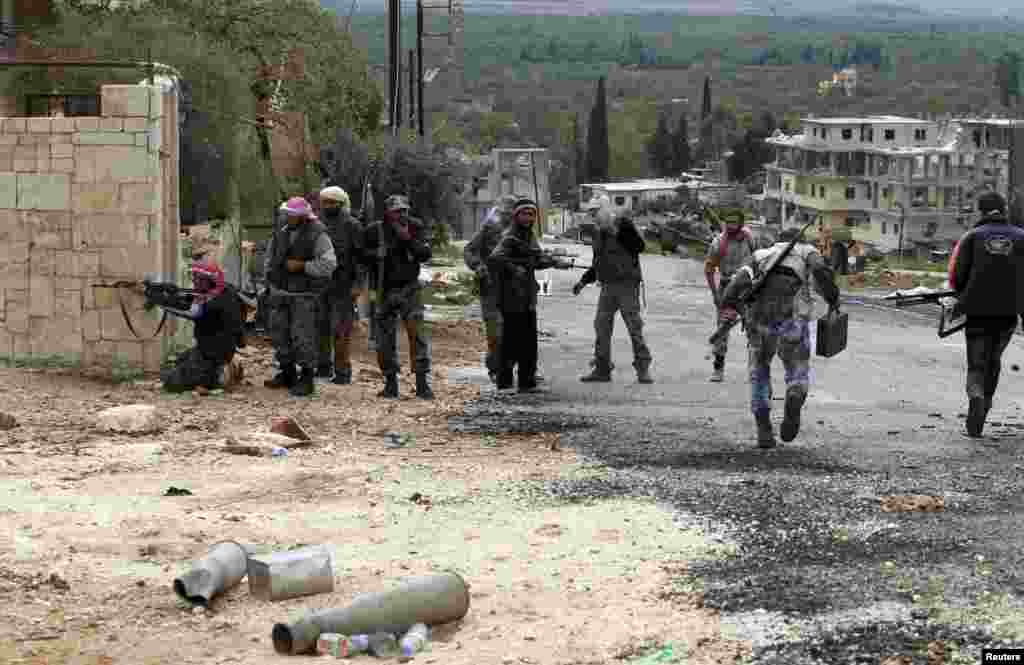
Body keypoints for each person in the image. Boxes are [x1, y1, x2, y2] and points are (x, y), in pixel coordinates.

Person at [718, 226, 840, 449]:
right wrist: (833, 298)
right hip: (791, 320)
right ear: (802, 240)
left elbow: (735, 285)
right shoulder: (806, 251)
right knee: (797, 369)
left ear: (777, 241)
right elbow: (821, 270)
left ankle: (764, 429)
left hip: (759, 321)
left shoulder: (760, 255)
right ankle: (795, 393)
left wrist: (735, 308)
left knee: (759, 371)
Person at [948, 191, 1024, 437]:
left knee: (976, 364)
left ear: (980, 211)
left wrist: (961, 297)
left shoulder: (972, 237)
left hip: (977, 312)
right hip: (1007, 313)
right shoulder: (1021, 237)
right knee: (993, 361)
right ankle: (986, 405)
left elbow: (956, 276)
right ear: (1004, 210)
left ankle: (976, 397)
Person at [487, 197, 573, 393]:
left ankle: (527, 381)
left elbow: (536, 260)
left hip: (526, 297)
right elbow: (495, 258)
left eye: (532, 214)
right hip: (510, 297)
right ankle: (505, 382)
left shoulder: (529, 236)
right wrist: (514, 268)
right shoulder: (510, 236)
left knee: (529, 341)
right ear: (516, 216)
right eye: (524, 214)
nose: (528, 217)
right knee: (511, 340)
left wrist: (555, 262)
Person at [263, 196, 338, 397]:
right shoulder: (281, 232)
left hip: (304, 294)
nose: (288, 217)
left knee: (303, 336)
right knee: (279, 334)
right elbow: (270, 258)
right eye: (287, 214)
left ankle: (307, 378)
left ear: (303, 216)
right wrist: (269, 281)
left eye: (292, 215)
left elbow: (329, 264)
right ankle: (287, 373)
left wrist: (303, 266)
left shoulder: (318, 234)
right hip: (280, 292)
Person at [362, 194, 434, 399]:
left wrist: (408, 239)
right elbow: (360, 255)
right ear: (388, 212)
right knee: (384, 339)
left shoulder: (415, 226)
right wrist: (376, 254)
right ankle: (390, 383)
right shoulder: (375, 230)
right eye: (397, 211)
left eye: (404, 210)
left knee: (417, 335)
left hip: (409, 289)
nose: (402, 215)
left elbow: (425, 254)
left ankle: (422, 384)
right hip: (384, 290)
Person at [573, 210, 653, 384]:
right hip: (608, 286)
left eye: (601, 222)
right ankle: (602, 368)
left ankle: (643, 368)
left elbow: (640, 247)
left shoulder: (624, 230)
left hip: (627, 285)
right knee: (601, 326)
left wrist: (625, 227)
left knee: (634, 328)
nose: (599, 225)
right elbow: (598, 264)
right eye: (597, 222)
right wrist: (583, 281)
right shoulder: (599, 237)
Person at [161, 259, 244, 393]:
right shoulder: (224, 292)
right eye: (194, 277)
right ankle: (227, 367)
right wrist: (170, 293)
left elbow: (188, 310)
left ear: (210, 281)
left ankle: (219, 376)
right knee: (178, 361)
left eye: (199, 278)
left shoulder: (214, 303)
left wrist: (160, 300)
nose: (194, 281)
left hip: (212, 353)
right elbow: (189, 299)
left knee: (171, 381)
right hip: (217, 349)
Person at [464, 194, 517, 382]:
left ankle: (507, 367)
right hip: (490, 288)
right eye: (504, 213)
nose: (507, 216)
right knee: (495, 331)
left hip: (513, 290)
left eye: (510, 213)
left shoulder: (522, 232)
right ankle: (495, 368)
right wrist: (477, 265)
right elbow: (469, 250)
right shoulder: (488, 229)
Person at [316, 186, 364, 384]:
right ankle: (323, 367)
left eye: (332, 202)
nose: (328, 206)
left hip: (343, 285)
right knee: (320, 326)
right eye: (325, 202)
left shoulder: (353, 225)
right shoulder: (317, 223)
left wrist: (358, 284)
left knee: (341, 329)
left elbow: (361, 258)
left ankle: (342, 372)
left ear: (341, 203)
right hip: (320, 284)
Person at [704, 209, 758, 382]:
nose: (730, 225)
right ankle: (718, 368)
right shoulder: (718, 243)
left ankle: (754, 370)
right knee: (722, 330)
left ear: (741, 223)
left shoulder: (749, 238)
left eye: (734, 222)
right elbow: (709, 270)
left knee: (753, 330)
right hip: (727, 289)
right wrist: (715, 294)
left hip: (747, 290)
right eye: (728, 222)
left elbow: (758, 260)